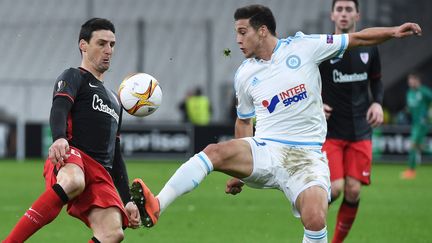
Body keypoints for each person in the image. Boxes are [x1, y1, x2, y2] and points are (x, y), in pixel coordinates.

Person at [130, 4, 422, 243]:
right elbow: (244, 122)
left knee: (316, 217)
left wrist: (394, 32)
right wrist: (239, 172)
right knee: (213, 152)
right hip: (267, 150)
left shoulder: (305, 47)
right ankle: (157, 205)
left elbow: (357, 39)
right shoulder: (244, 74)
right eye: (236, 34)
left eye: (243, 32)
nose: (238, 40)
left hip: (307, 156)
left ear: (263, 30)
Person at [3, 18, 140, 243]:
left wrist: (127, 199)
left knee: (113, 233)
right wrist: (58, 138)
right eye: (101, 43)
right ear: (83, 45)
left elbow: (115, 153)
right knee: (74, 181)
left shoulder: (116, 100)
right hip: (72, 155)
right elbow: (59, 107)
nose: (108, 51)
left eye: (112, 45)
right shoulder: (73, 76)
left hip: (100, 172)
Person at [318, 1, 383, 242]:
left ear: (357, 14)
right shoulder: (323, 48)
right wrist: (315, 105)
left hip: (360, 130)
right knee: (335, 188)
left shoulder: (370, 47)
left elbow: (376, 80)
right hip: (331, 131)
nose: (344, 14)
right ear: (332, 15)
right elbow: (306, 83)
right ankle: (310, 213)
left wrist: (377, 102)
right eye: (340, 9)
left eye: (348, 9)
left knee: (353, 190)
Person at [401, 72, 432, 179]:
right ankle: (411, 170)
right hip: (415, 123)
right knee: (419, 146)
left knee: (413, 145)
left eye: (411, 79)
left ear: (417, 80)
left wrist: (429, 113)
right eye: (409, 80)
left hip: (422, 123)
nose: (409, 82)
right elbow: (410, 107)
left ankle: (411, 170)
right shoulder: (409, 92)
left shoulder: (424, 92)